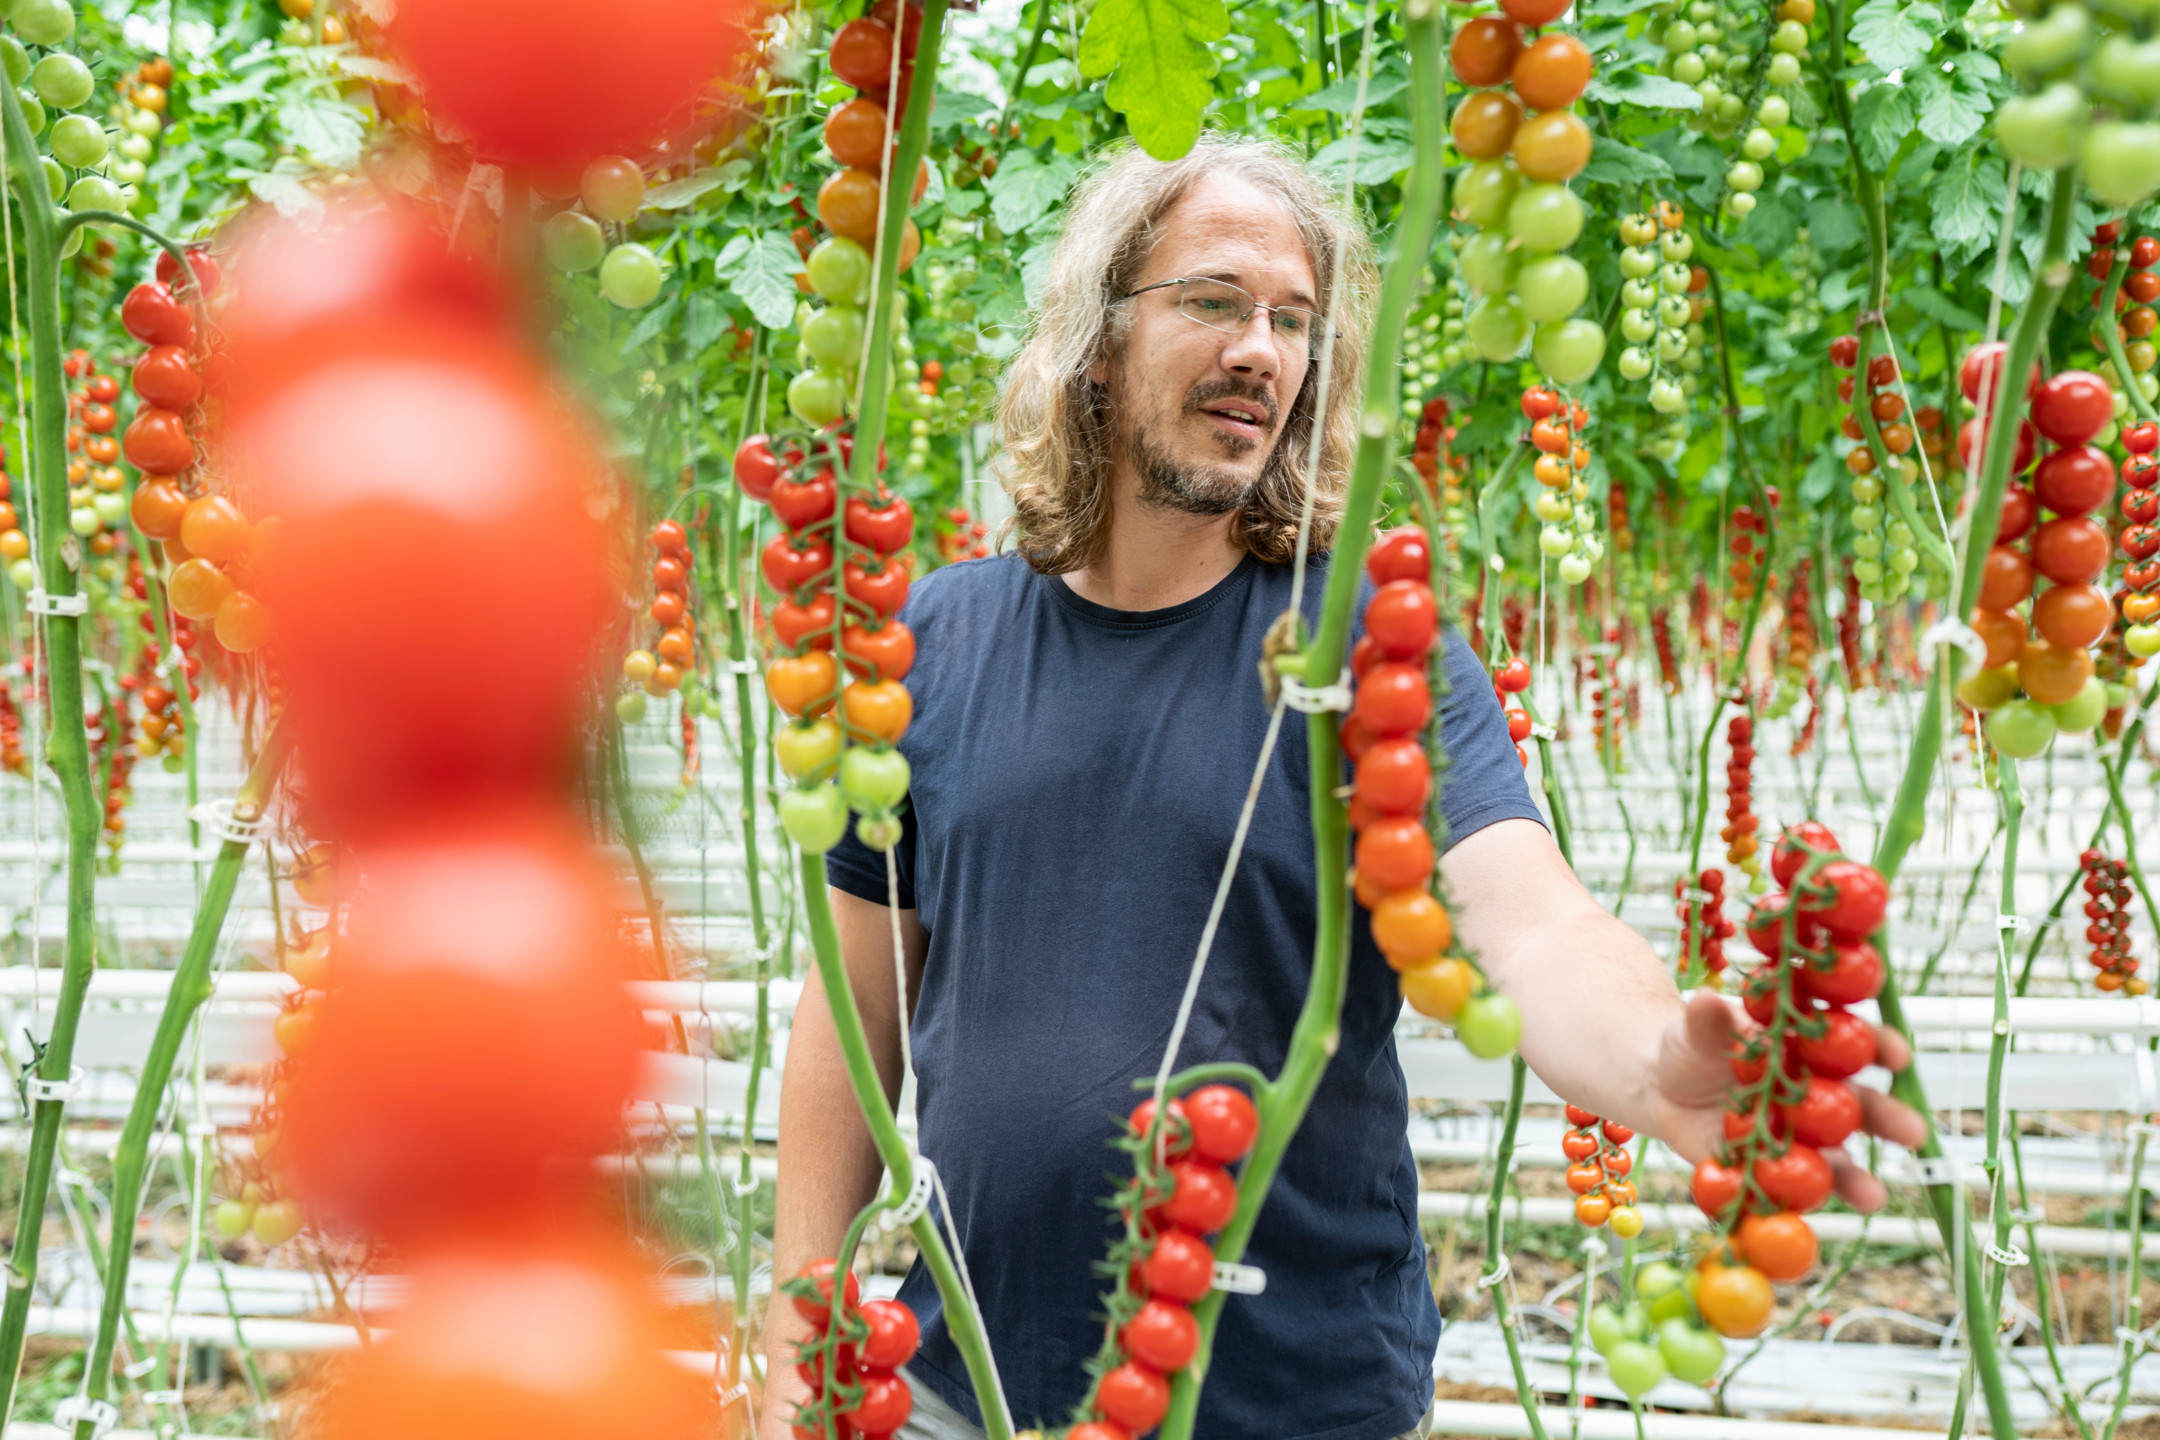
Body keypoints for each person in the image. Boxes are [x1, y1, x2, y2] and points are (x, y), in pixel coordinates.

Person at [759, 135, 1924, 1440]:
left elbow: (1526, 925)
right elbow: (856, 1001)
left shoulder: (1367, 646)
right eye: (1214, 300)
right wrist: (801, 1324)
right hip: (951, 1385)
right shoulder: (936, 641)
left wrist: (1659, 1067)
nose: (1261, 347)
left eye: (1293, 321)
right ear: (1098, 339)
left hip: (1293, 1404)